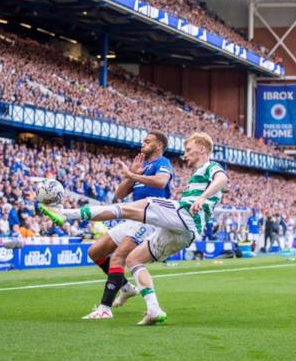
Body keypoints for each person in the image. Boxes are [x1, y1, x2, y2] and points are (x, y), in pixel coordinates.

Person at [41, 132, 228, 325]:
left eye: (188, 150)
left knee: (125, 211)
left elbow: (221, 179)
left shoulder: (210, 166)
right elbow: (119, 194)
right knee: (134, 259)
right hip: (185, 231)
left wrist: (203, 197)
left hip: (182, 215)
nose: (185, 155)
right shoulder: (192, 175)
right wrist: (132, 175)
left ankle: (66, 214)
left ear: (203, 150)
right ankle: (153, 309)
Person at [81, 131, 173, 320]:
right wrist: (133, 175)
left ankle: (105, 308)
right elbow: (120, 194)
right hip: (132, 218)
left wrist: (134, 174)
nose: (143, 143)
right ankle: (125, 287)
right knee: (94, 252)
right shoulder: (143, 168)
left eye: (148, 141)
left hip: (150, 219)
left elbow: (161, 182)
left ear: (159, 145)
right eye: (143, 140)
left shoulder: (163, 163)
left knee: (117, 258)